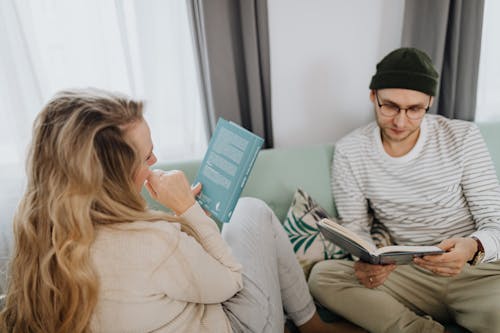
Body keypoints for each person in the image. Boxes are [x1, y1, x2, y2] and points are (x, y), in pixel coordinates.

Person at [0, 88, 365, 333]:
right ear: (111, 176)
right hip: (233, 325)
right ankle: (313, 326)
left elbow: (151, 284)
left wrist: (185, 224)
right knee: (251, 212)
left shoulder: (39, 235)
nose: (155, 160)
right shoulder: (151, 241)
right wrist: (188, 210)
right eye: (146, 157)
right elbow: (229, 280)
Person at [308, 47, 500, 333]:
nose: (400, 121)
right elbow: (356, 227)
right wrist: (366, 262)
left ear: (429, 102)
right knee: (323, 278)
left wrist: (472, 247)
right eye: (390, 106)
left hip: (476, 273)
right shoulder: (350, 151)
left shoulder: (463, 137)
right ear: (374, 96)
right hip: (409, 274)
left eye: (414, 109)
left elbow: (495, 221)